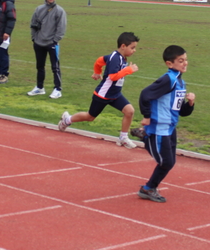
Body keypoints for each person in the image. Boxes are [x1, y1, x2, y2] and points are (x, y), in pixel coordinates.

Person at [58, 31, 139, 149]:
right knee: (90, 117)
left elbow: (99, 60)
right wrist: (129, 70)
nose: (134, 51)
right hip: (103, 95)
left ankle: (123, 137)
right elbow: (113, 76)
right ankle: (67, 120)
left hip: (115, 94)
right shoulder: (115, 58)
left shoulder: (122, 58)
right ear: (123, 46)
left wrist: (97, 72)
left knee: (129, 111)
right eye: (132, 48)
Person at [136, 45, 195, 203]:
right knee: (166, 162)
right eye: (180, 61)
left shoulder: (180, 82)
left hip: (170, 128)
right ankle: (148, 188)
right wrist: (147, 117)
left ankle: (149, 187)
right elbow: (145, 94)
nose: (185, 63)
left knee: (170, 162)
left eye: (186, 60)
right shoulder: (168, 79)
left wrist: (190, 103)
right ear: (170, 64)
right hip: (159, 127)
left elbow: (181, 111)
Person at [28, 0, 67, 99]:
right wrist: (34, 38)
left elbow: (61, 28)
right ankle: (40, 87)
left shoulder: (59, 11)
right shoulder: (39, 9)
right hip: (39, 42)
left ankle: (57, 89)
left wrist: (55, 41)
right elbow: (33, 24)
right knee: (40, 66)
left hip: (52, 43)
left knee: (55, 67)